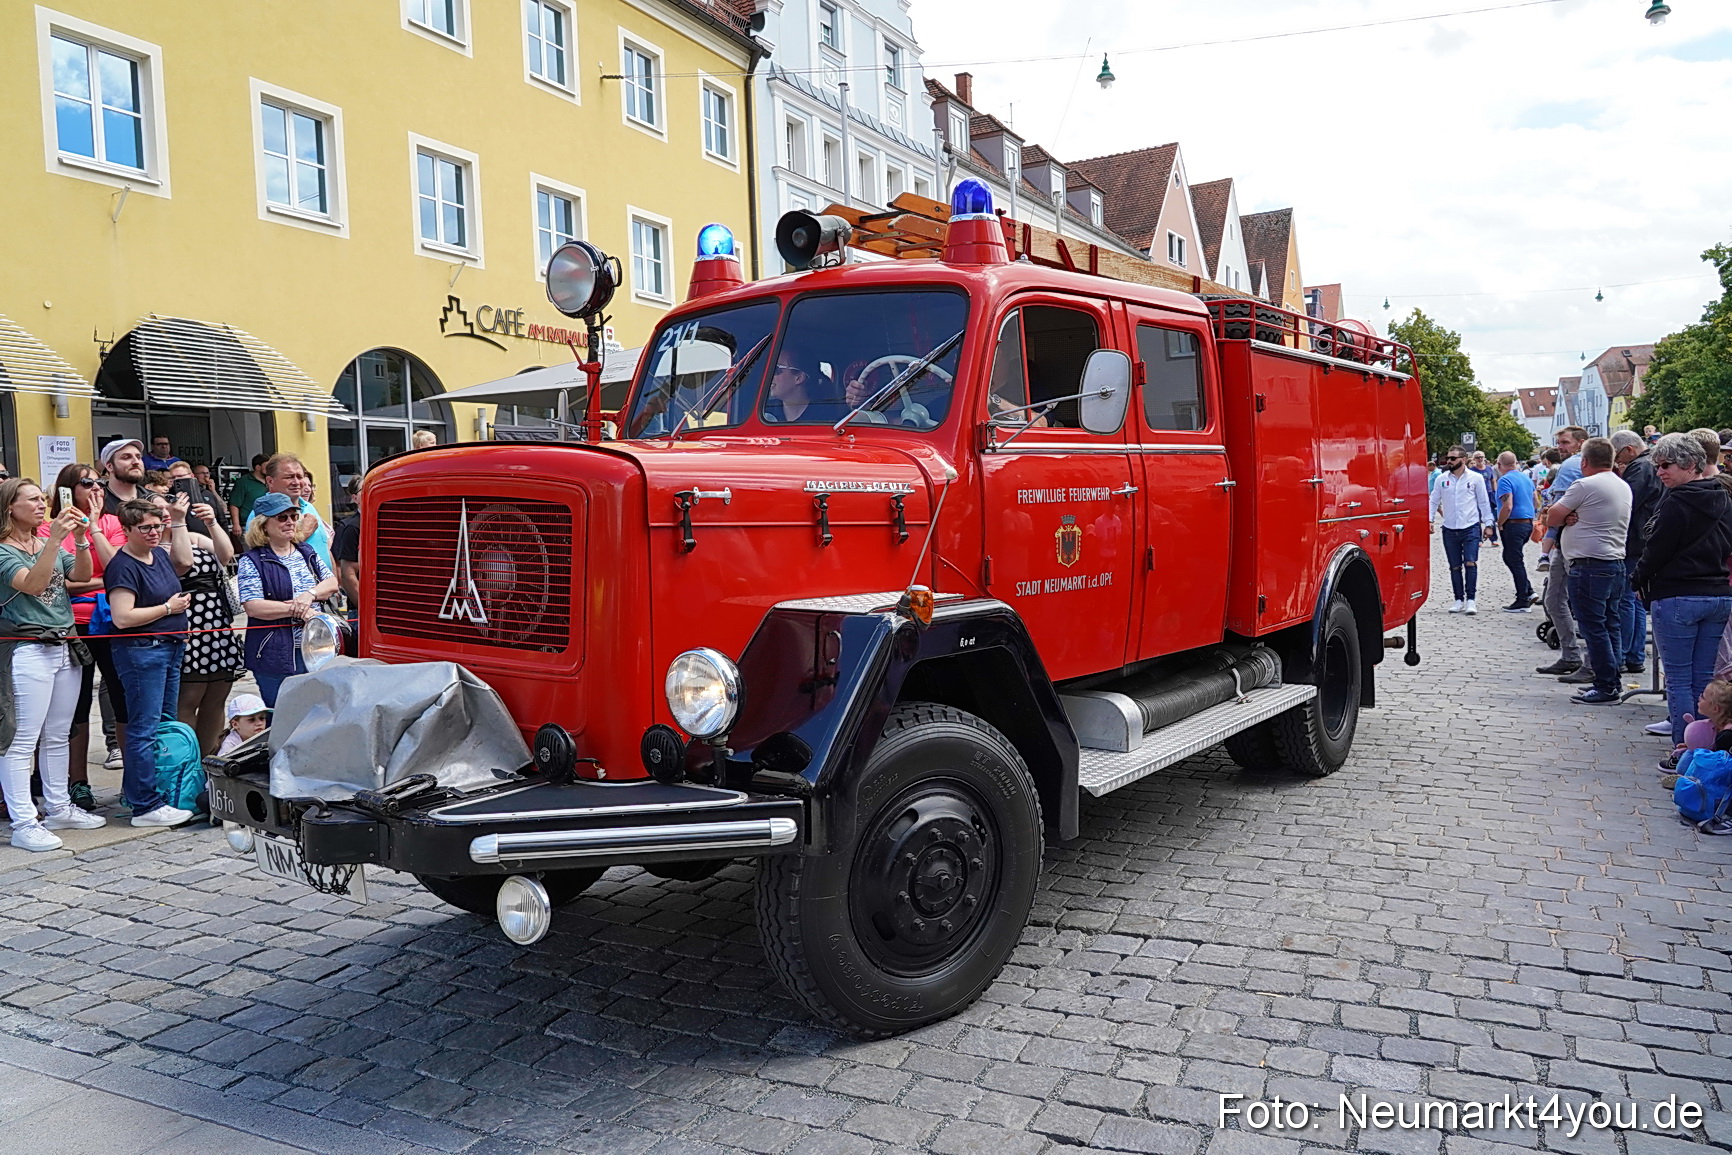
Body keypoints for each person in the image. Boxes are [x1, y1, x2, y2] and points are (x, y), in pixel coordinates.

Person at [0, 478, 108, 850]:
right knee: (21, 739)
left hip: (63, 643)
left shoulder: (40, 542)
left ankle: (59, 805)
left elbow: (79, 575)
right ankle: (24, 822)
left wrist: (78, 539)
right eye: (31, 500)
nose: (41, 505)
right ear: (9, 507)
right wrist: (51, 540)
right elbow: (32, 583)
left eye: (41, 499)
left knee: (59, 733)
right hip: (27, 648)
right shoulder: (3, 551)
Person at [1629, 433, 1732, 764]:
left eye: (1665, 465)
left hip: (1678, 596)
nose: (1659, 472)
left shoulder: (1677, 501)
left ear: (1689, 464)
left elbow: (1656, 550)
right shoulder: (1724, 497)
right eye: (1657, 465)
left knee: (1679, 679)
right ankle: (1705, 748)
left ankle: (1682, 751)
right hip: (1716, 594)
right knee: (1703, 678)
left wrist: (1638, 578)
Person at [105, 495, 196, 827]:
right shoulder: (123, 565)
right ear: (127, 529)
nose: (154, 533)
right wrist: (168, 609)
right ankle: (144, 804)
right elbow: (122, 617)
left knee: (163, 725)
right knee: (143, 728)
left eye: (158, 526)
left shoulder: (157, 554)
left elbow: (184, 561)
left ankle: (159, 792)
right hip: (143, 650)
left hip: (169, 646)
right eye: (146, 528)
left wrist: (179, 519)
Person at [44, 463, 125, 813]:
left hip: (112, 620)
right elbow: (57, 579)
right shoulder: (52, 527)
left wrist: (92, 526)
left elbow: (120, 566)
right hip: (73, 622)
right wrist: (101, 581)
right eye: (86, 482)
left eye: (99, 481)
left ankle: (133, 780)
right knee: (75, 705)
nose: (96, 488)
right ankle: (77, 782)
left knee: (121, 697)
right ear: (67, 490)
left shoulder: (110, 522)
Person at [238, 492, 338, 707]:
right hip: (274, 651)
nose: (291, 522)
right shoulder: (252, 560)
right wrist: (301, 609)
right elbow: (254, 606)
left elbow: (331, 583)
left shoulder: (306, 551)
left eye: (294, 516)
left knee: (318, 710)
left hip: (315, 646)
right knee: (282, 713)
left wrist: (308, 595)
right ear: (263, 525)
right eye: (282, 518)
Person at [170, 491, 242, 754]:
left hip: (216, 618)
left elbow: (226, 555)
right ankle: (188, 763)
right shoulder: (157, 545)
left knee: (216, 697)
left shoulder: (195, 537)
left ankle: (208, 759)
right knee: (188, 698)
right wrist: (177, 523)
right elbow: (181, 562)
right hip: (187, 621)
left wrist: (212, 522)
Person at [1535, 428, 1588, 677]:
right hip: (1572, 541)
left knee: (1558, 599)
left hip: (1568, 543)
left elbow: (1556, 506)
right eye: (1558, 442)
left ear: (1581, 443)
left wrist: (1553, 516)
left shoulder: (1570, 465)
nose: (1561, 447)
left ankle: (1574, 655)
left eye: (1565, 442)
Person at [1612, 429, 1662, 674]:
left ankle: (1624, 654)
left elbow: (1625, 502)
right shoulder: (1652, 464)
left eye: (1619, 457)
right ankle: (1634, 655)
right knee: (1635, 600)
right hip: (1643, 539)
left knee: (1626, 599)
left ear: (1629, 449)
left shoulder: (1639, 468)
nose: (1618, 462)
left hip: (1635, 539)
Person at [1429, 445, 1494, 614]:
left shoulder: (1475, 478)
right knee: (1454, 565)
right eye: (1447, 458)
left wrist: (1488, 523)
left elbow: (1483, 502)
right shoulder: (1442, 479)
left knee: (1470, 562)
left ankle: (1471, 599)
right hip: (1450, 527)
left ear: (1463, 460)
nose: (1449, 461)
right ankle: (1458, 598)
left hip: (1470, 526)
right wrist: (1429, 519)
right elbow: (1434, 500)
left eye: (1453, 458)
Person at [248, 453, 334, 574]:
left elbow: (325, 549)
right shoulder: (260, 514)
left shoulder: (308, 506)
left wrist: (335, 582)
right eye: (289, 477)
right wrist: (303, 533)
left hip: (326, 587)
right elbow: (265, 560)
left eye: (300, 476)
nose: (297, 482)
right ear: (270, 481)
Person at [1493, 451, 1537, 612]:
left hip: (1513, 524)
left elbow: (1508, 505)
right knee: (1513, 557)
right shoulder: (1525, 478)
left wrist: (1500, 523)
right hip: (1527, 522)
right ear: (1516, 462)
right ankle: (1529, 591)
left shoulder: (1504, 480)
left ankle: (1523, 598)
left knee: (1513, 558)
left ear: (1499, 465)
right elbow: (1535, 500)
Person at [332, 475, 363, 623]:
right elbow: (347, 573)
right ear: (355, 498)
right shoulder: (351, 527)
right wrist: (364, 607)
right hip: (360, 611)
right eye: (365, 490)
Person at [228, 454, 269, 537]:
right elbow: (234, 505)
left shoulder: (271, 480)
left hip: (267, 524)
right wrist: (236, 524)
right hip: (248, 526)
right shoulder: (243, 482)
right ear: (258, 467)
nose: (270, 468)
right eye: (267, 466)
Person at [216, 692, 269, 757]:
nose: (259, 723)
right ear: (235, 724)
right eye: (251, 720)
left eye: (262, 718)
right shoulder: (229, 747)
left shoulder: (267, 737)